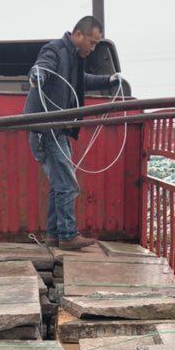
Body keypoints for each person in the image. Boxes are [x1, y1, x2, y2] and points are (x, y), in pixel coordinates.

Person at [24, 16, 122, 249]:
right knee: (67, 184)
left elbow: (82, 81)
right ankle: (68, 235)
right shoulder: (55, 50)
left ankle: (53, 235)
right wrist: (37, 75)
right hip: (47, 130)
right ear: (78, 35)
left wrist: (108, 80)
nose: (93, 48)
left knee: (59, 184)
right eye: (92, 42)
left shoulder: (73, 57)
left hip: (57, 130)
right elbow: (42, 66)